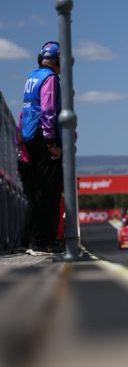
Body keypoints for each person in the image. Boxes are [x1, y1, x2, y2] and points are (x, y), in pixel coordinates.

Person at [16, 41, 64, 255]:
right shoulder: (50, 78)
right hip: (42, 139)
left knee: (36, 194)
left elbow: (23, 113)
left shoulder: (32, 77)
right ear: (56, 61)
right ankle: (43, 242)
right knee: (50, 192)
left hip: (28, 137)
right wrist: (51, 142)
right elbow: (48, 110)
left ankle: (29, 241)